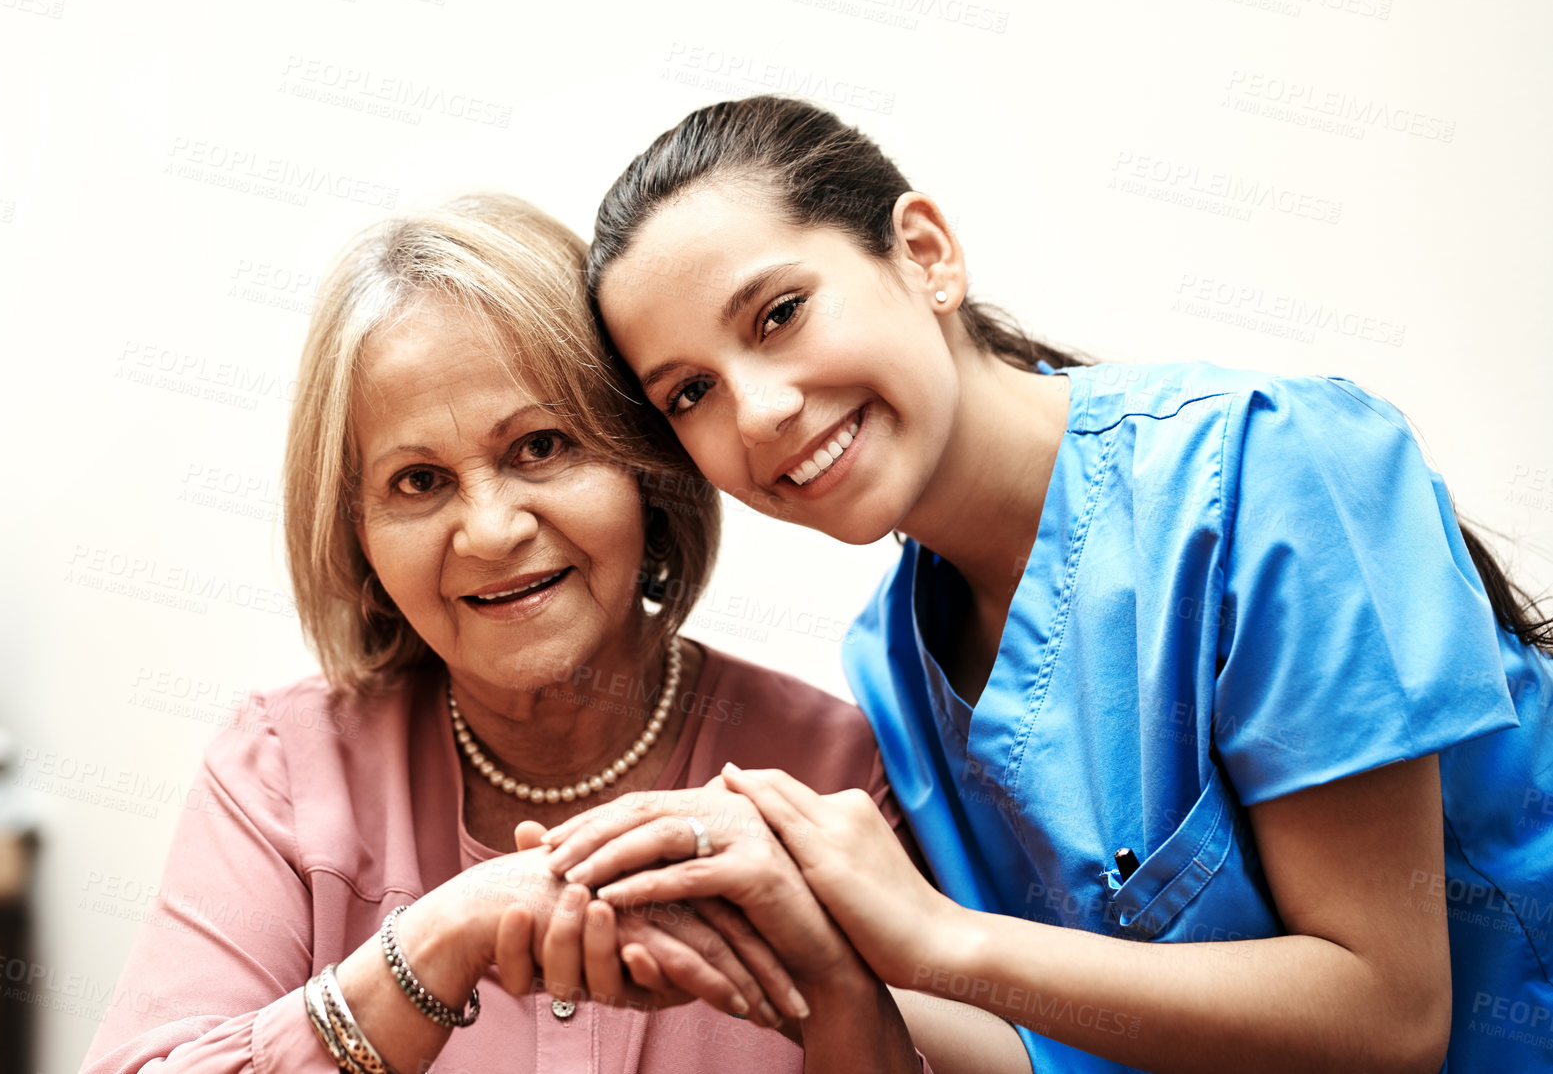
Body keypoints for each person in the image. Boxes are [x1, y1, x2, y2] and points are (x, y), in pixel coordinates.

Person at [543, 96, 1553, 1073]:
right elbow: (1061, 1052)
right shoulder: (893, 659)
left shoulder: (1271, 470)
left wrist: (939, 937)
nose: (757, 410)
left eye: (780, 313)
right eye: (691, 392)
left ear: (926, 255)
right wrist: (797, 948)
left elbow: (1390, 1017)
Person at [79, 194, 926, 1074]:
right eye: (417, 482)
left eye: (541, 447)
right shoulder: (286, 770)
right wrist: (433, 945)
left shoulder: (837, 779)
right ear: (358, 540)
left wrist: (834, 988)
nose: (488, 531)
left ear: (646, 467)